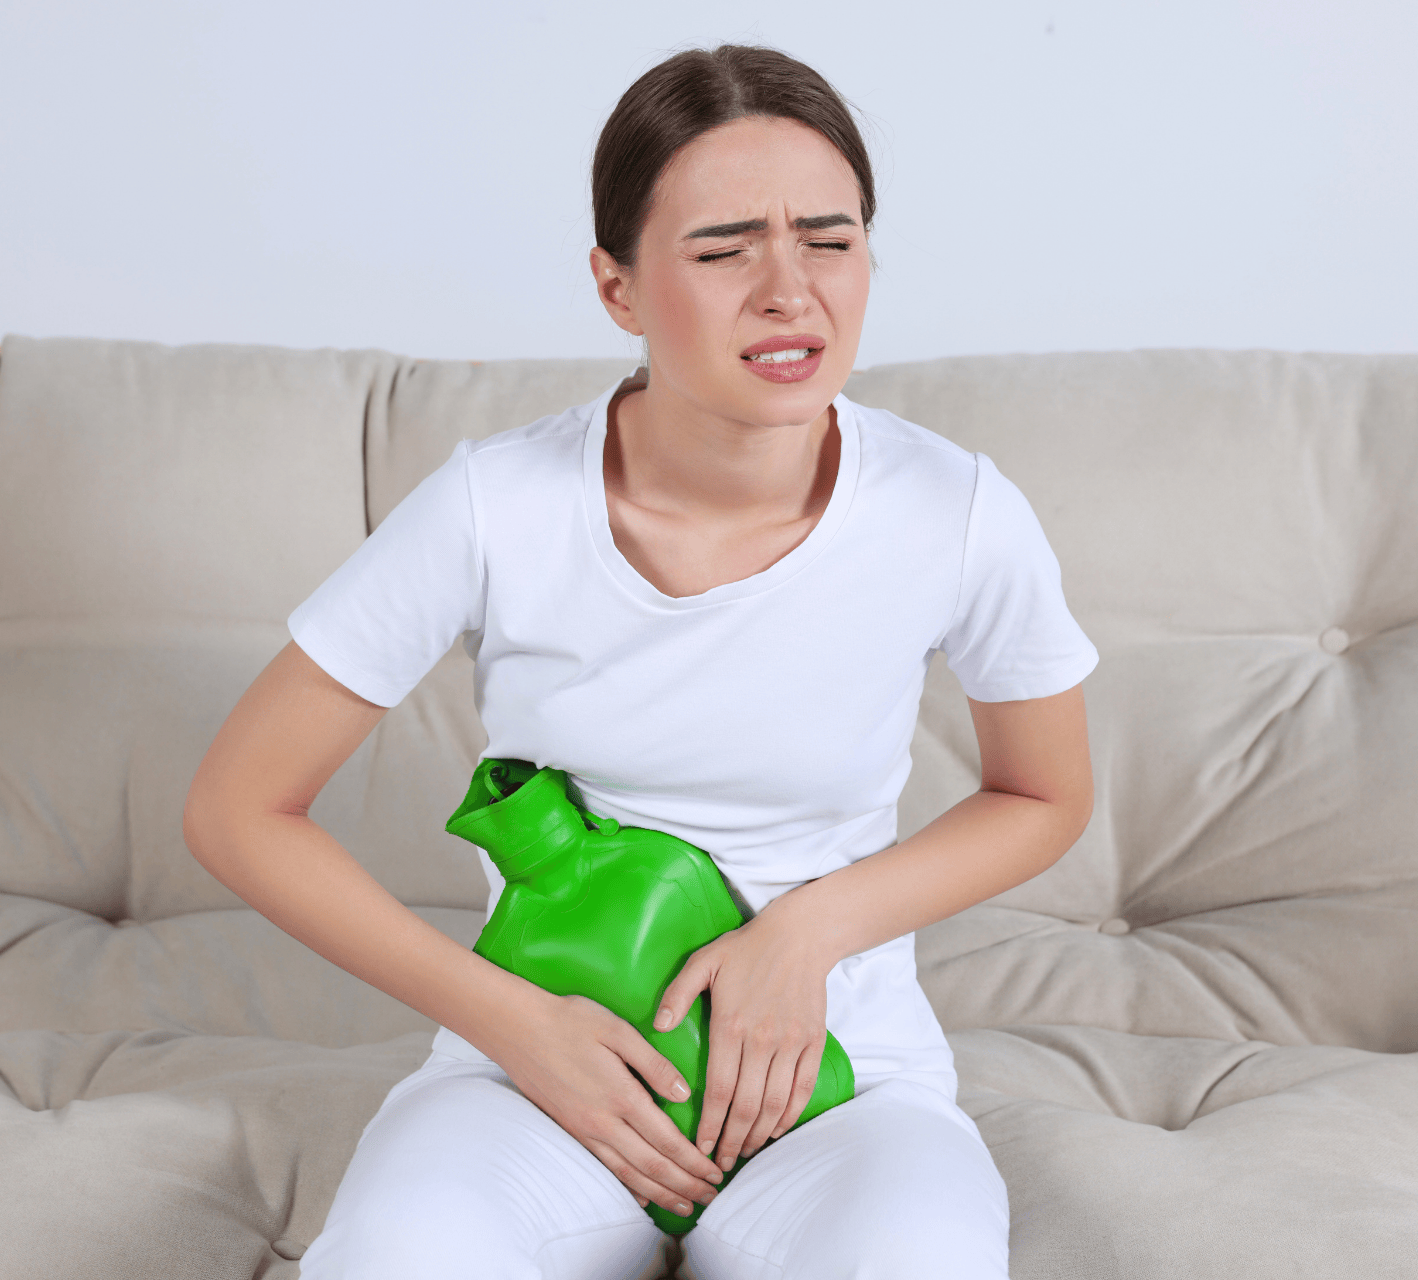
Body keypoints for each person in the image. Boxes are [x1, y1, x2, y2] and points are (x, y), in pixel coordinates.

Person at [184, 43, 1097, 1280]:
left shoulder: (957, 508)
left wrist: (810, 929)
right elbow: (238, 807)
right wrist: (515, 1021)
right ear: (616, 286)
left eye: (830, 240)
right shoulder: (496, 503)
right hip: (533, 1083)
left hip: (838, 1092)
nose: (790, 292)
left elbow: (1044, 792)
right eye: (725, 251)